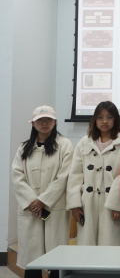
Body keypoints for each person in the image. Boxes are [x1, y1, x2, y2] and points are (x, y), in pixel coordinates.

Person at [12, 106, 73, 278]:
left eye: (48, 120)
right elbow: (17, 176)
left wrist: (43, 200)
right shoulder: (24, 148)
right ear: (33, 123)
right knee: (31, 255)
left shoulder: (64, 145)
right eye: (40, 120)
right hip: (31, 209)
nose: (44, 123)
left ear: (55, 122)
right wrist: (32, 202)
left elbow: (64, 176)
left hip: (55, 206)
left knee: (56, 254)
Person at [66, 101, 120, 246]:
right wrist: (75, 205)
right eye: (100, 117)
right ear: (94, 119)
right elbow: (75, 175)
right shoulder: (85, 142)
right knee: (88, 248)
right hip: (87, 204)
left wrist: (118, 205)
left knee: (112, 248)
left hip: (112, 205)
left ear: (116, 119)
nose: (104, 121)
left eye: (109, 117)